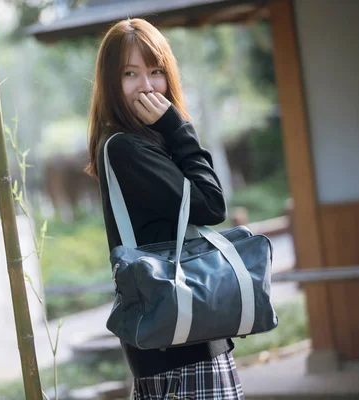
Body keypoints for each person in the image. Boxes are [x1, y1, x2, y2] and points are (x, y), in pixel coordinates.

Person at [85, 18, 244, 399]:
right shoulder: (127, 148)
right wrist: (177, 126)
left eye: (155, 71)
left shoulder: (144, 143)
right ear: (110, 82)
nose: (147, 85)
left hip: (181, 343)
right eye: (130, 73)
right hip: (180, 356)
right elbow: (211, 204)